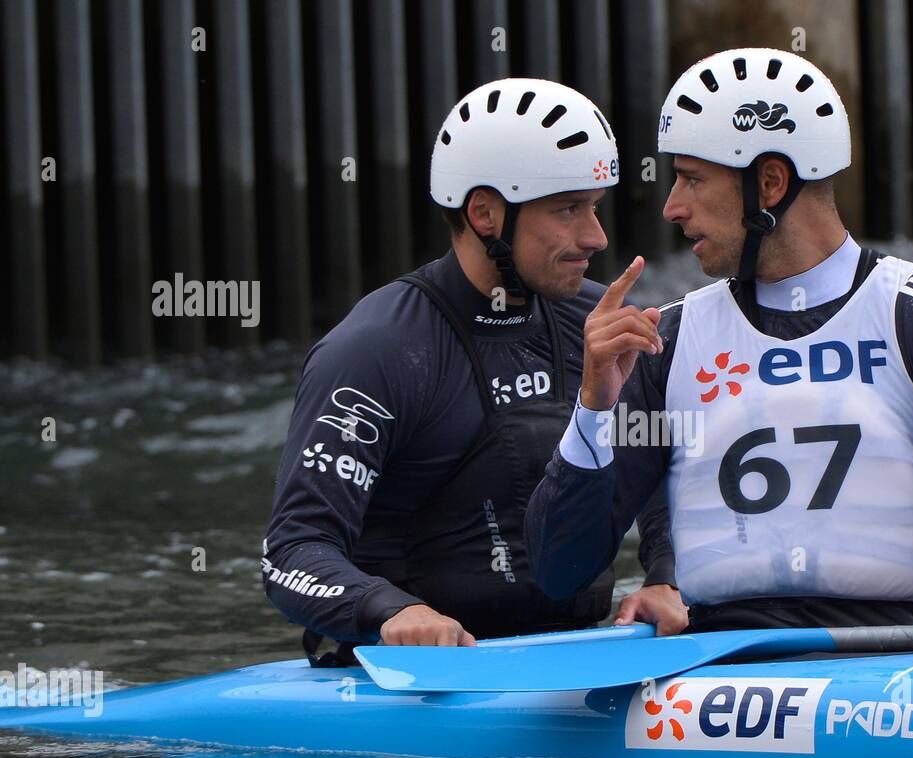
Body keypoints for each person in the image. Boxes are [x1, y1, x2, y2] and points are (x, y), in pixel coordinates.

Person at [525, 49, 913, 652]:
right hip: (719, 665)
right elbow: (561, 571)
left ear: (769, 184)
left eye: (691, 178)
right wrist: (593, 410)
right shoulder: (669, 338)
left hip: (891, 653)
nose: (672, 208)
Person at [263, 78, 686, 665]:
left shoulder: (599, 325)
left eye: (593, 207)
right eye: (567, 209)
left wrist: (666, 574)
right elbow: (292, 552)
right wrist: (388, 610)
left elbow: (658, 467)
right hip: (419, 683)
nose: (596, 236)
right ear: (485, 213)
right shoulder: (378, 349)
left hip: (579, 656)